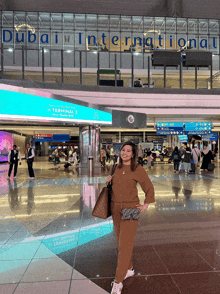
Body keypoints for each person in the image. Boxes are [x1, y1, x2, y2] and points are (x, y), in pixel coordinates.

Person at [106, 141, 155, 294]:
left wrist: (145, 205)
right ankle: (129, 268)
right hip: (116, 208)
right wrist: (108, 181)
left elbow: (149, 186)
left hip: (131, 209)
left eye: (128, 151)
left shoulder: (137, 169)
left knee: (125, 245)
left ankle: (118, 281)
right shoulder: (115, 167)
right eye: (123, 150)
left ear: (133, 154)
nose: (125, 153)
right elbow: (113, 188)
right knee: (121, 242)